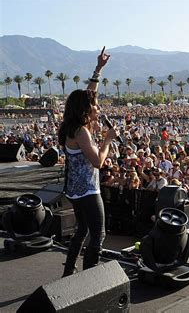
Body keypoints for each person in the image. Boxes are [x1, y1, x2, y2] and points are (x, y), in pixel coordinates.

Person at [58, 47, 117, 277]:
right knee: (98, 233)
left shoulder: (69, 127)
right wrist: (108, 140)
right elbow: (98, 162)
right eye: (94, 106)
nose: (97, 107)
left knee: (81, 229)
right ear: (85, 110)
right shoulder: (82, 132)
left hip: (74, 189)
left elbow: (89, 94)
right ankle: (90, 277)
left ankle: (70, 271)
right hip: (88, 192)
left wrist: (98, 70)